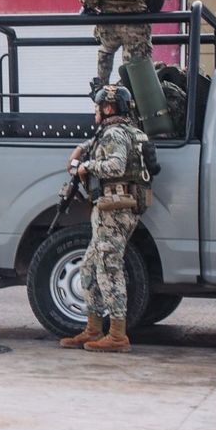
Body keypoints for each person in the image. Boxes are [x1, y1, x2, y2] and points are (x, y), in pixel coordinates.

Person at [60, 85, 151, 354]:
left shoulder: (114, 133)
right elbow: (100, 143)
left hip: (115, 210)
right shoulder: (128, 130)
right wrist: (82, 148)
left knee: (109, 268)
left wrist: (86, 166)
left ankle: (117, 335)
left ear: (108, 108)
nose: (95, 112)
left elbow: (115, 165)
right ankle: (93, 329)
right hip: (113, 209)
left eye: (98, 108)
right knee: (89, 267)